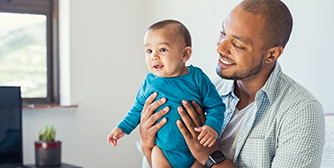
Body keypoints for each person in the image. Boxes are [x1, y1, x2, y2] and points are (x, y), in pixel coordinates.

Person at [139, 0, 325, 167]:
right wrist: (148, 146)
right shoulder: (208, 91)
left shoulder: (302, 111)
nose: (220, 48)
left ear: (272, 55)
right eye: (223, 33)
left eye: (237, 44)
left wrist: (211, 157)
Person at [107, 19, 226, 168]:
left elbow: (216, 106)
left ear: (185, 54)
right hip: (163, 152)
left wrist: (212, 127)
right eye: (149, 51)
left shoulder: (197, 77)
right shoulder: (149, 81)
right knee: (156, 152)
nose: (154, 56)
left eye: (162, 49)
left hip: (196, 152)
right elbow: (137, 109)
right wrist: (122, 128)